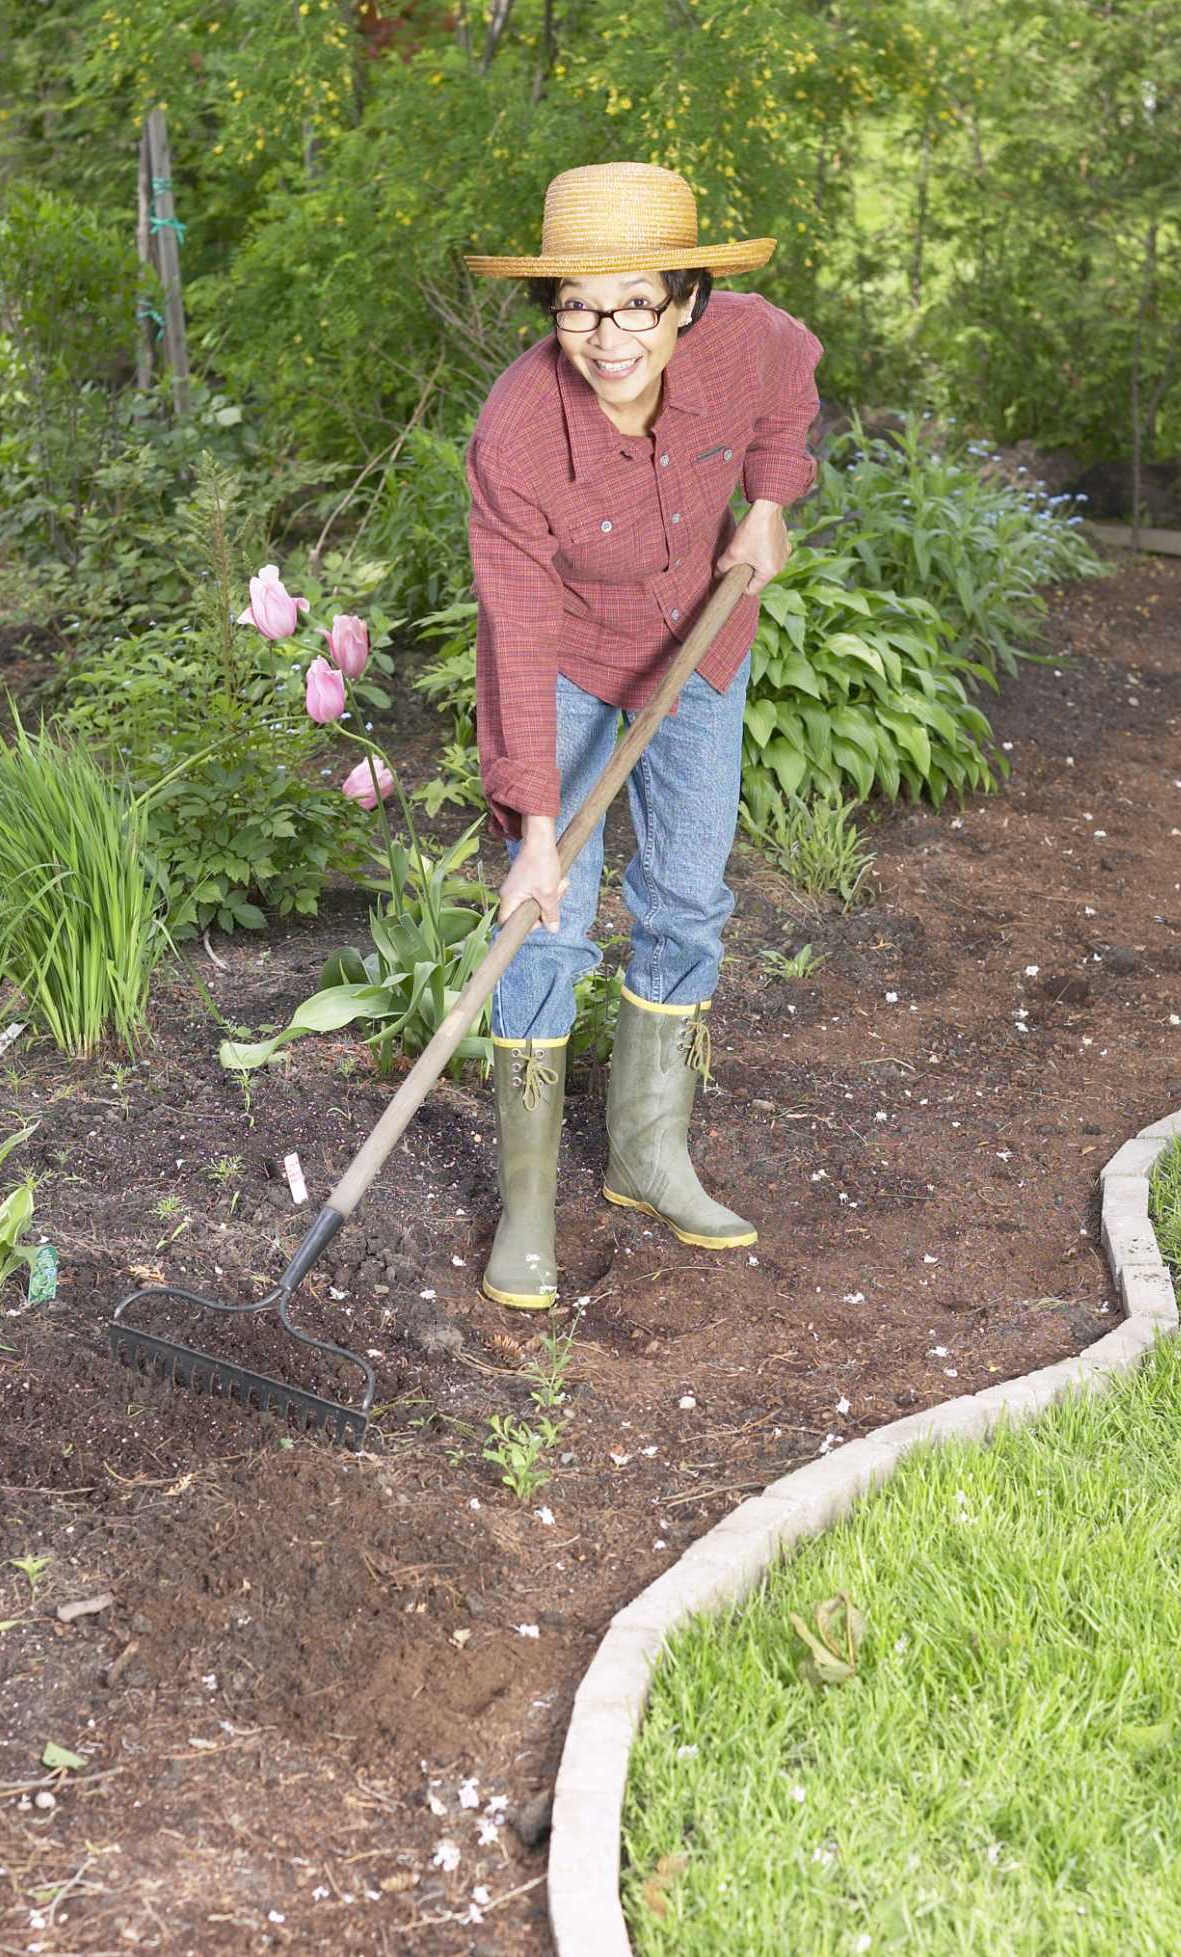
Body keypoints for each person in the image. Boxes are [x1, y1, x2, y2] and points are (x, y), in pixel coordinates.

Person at [462, 160, 823, 1311]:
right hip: (569, 661)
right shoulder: (516, 433)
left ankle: (645, 1157)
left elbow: (792, 389)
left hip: (701, 642)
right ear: (549, 308)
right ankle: (526, 1206)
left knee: (684, 892)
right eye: (577, 304)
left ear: (685, 303)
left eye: (633, 305)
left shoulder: (744, 337)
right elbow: (515, 631)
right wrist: (532, 830)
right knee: (550, 918)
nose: (606, 334)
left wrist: (768, 501)